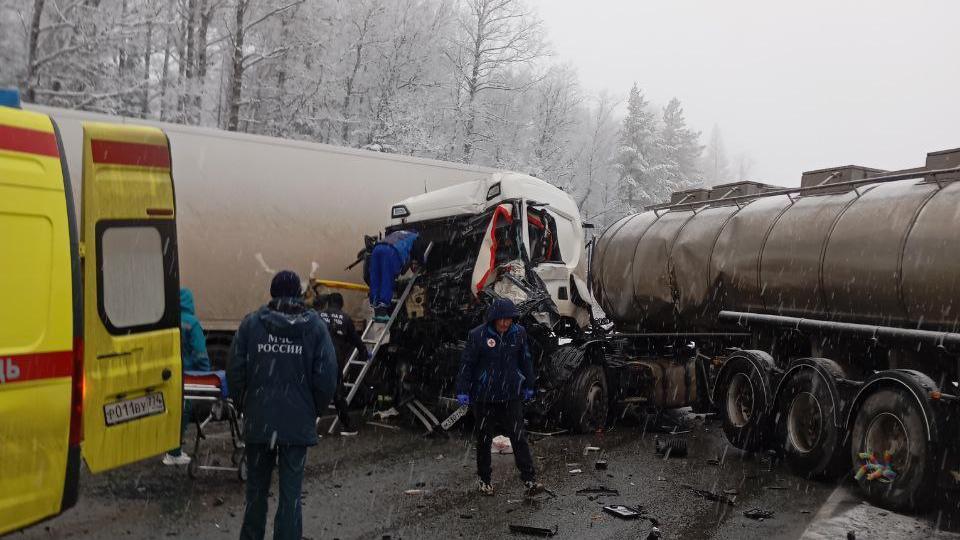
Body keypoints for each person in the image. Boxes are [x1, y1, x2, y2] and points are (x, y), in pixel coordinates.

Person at [228, 270, 338, 540]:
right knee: (290, 495)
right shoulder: (313, 327)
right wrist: (314, 409)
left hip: (259, 418)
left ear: (272, 293)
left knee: (256, 491)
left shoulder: (251, 324)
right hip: (296, 422)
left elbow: (235, 370)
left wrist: (245, 403)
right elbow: (326, 376)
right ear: (300, 294)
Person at [455, 298, 542, 496]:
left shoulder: (518, 334)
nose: (504, 323)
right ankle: (485, 480)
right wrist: (462, 389)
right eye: (500, 319)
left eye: (508, 319)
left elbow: (525, 360)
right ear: (493, 318)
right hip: (484, 397)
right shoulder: (478, 335)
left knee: (519, 437)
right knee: (484, 440)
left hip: (510, 395)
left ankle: (529, 480)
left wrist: (529, 384)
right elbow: (467, 364)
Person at [163, 288, 212, 466]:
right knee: (183, 412)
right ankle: (173, 452)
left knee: (171, 411)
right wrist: (207, 373)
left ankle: (168, 446)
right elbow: (200, 352)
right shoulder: (192, 323)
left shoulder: (169, 320)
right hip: (188, 376)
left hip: (170, 374)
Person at [317, 292, 369, 436]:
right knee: (338, 393)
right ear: (341, 304)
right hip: (335, 359)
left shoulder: (318, 315)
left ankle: (309, 428)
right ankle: (347, 426)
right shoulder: (345, 318)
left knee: (314, 391)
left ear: (328, 303)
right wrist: (364, 352)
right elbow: (355, 339)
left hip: (318, 358)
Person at [367, 230, 428, 321]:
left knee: (376, 279)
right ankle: (383, 311)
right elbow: (418, 253)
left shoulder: (398, 233)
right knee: (387, 279)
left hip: (377, 249)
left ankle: (377, 310)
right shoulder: (416, 237)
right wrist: (423, 263)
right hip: (391, 252)